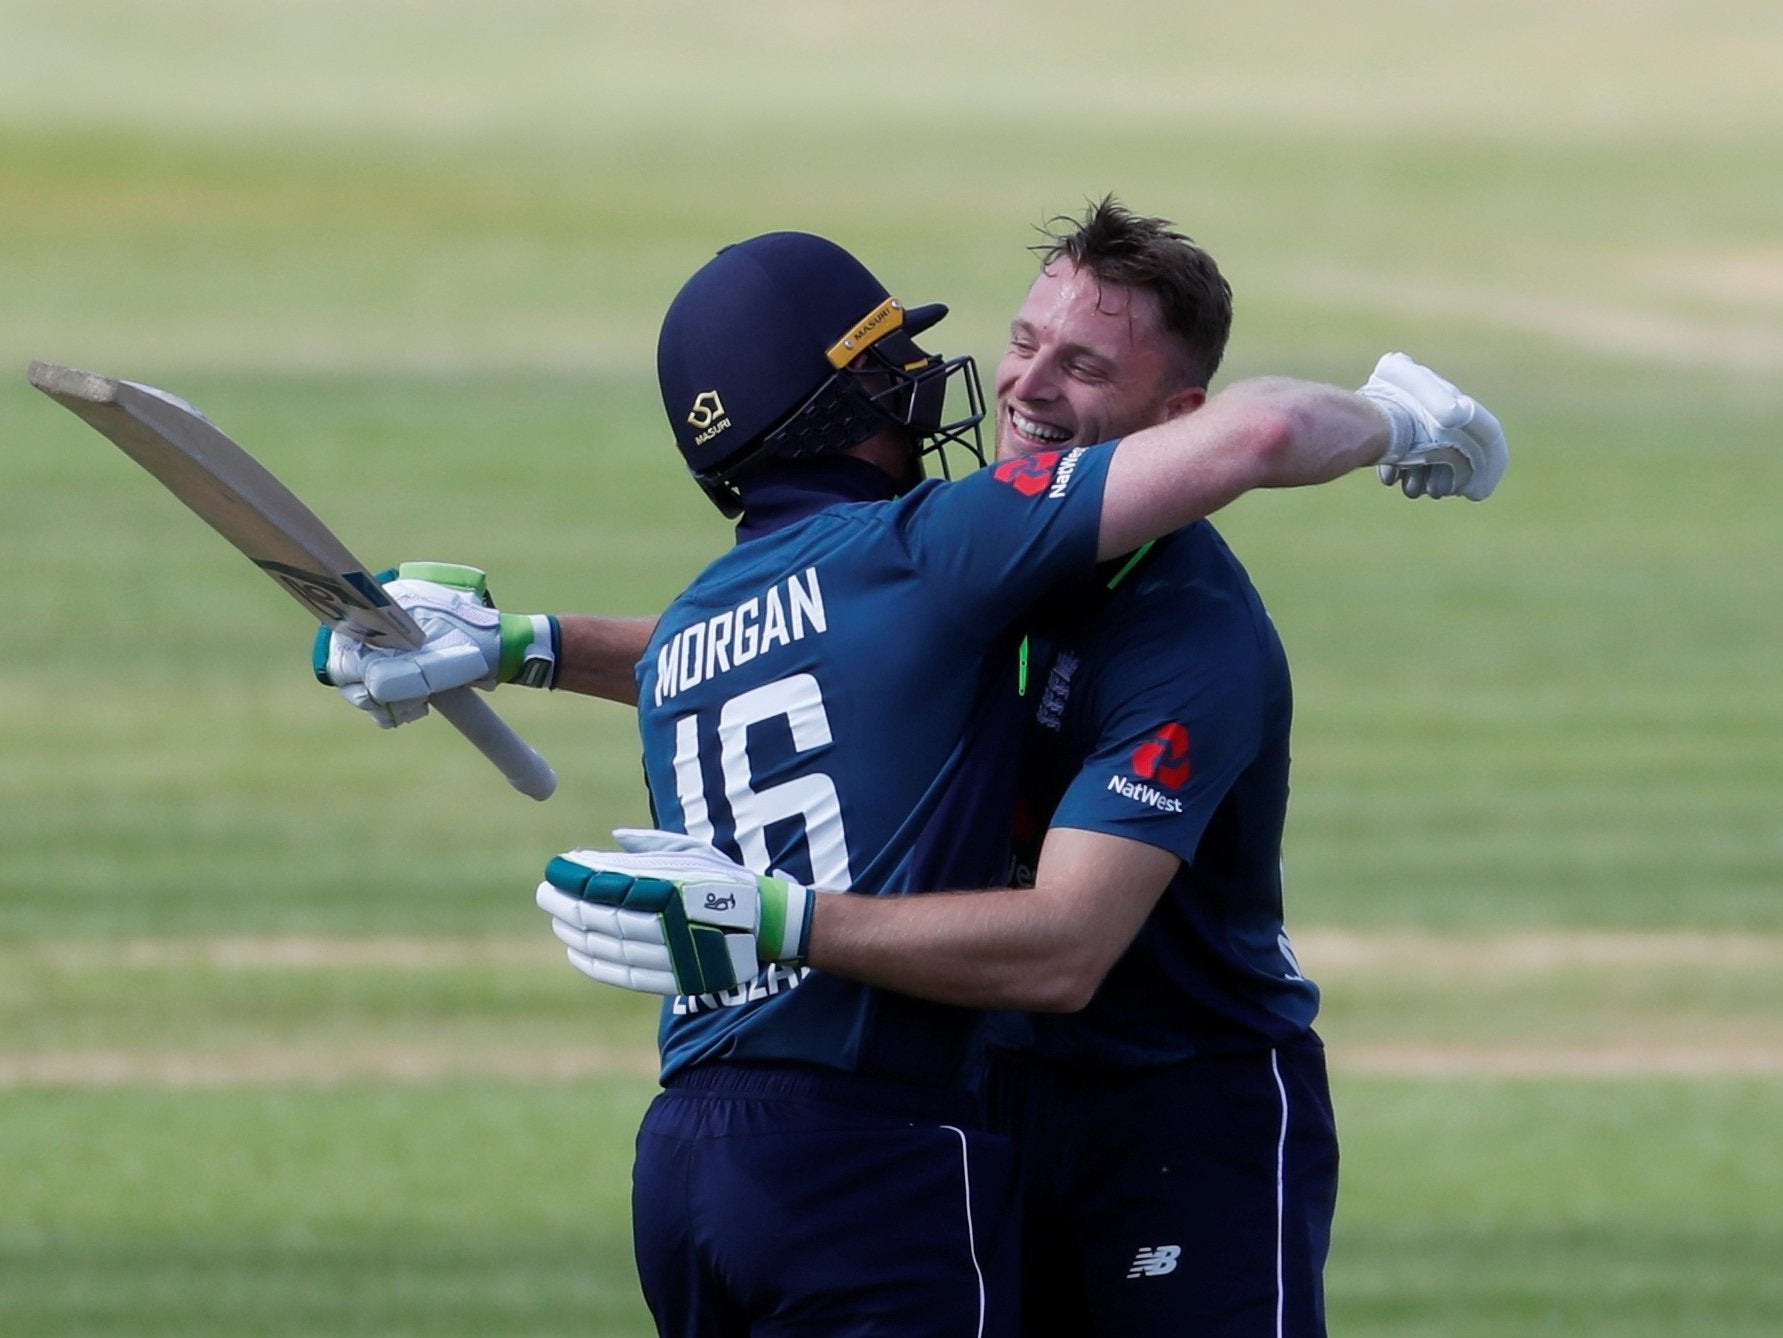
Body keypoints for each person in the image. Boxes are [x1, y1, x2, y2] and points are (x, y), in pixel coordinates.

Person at [320, 219, 1505, 1336]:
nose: (1030, 389)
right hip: (982, 1089)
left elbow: (1061, 946)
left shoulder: (1183, 633)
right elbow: (817, 647)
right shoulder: (954, 540)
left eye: (1085, 367)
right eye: (1025, 343)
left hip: (1176, 1100)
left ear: (1174, 418)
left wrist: (1393, 415)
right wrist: (522, 643)